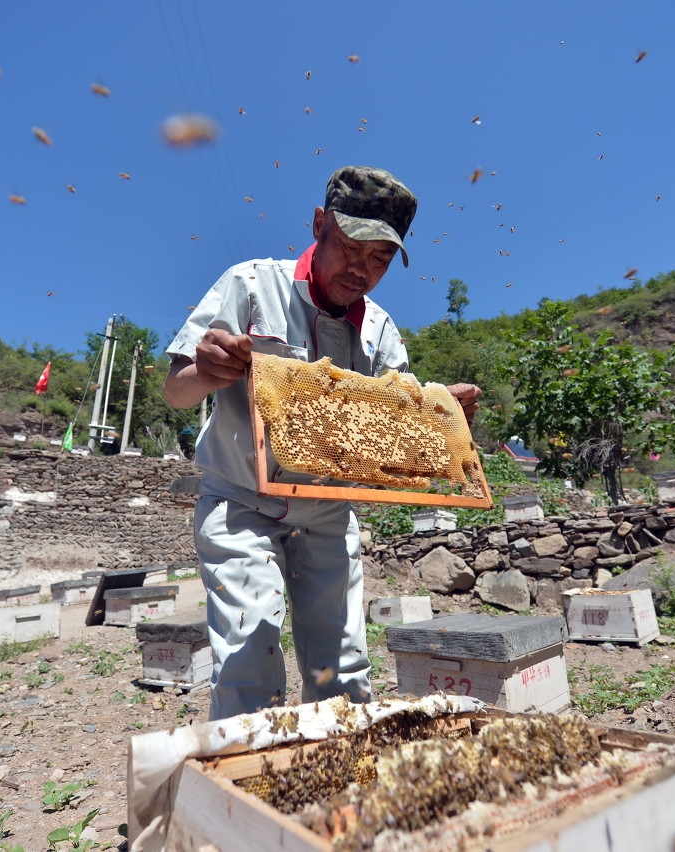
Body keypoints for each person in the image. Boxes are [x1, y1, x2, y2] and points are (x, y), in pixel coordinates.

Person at [163, 166, 481, 720]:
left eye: (379, 259)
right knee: (249, 660)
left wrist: (440, 419)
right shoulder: (250, 284)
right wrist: (208, 372)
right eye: (351, 247)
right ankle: (244, 796)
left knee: (342, 671)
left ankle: (340, 792)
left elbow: (395, 436)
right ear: (318, 225)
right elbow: (175, 391)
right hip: (241, 499)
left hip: (330, 511)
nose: (360, 269)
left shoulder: (381, 331)